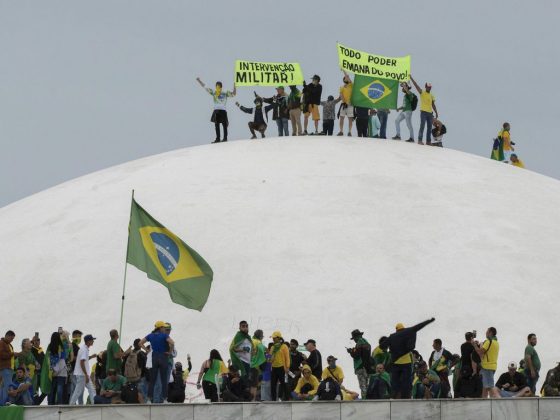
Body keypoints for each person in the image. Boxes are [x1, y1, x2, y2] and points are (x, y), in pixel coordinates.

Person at [381, 318, 435, 399]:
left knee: (395, 382)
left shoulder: (392, 336)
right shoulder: (409, 331)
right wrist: (430, 320)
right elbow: (420, 325)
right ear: (403, 328)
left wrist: (392, 347)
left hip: (396, 363)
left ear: (396, 330)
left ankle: (395, 397)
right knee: (406, 381)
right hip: (406, 362)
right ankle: (406, 397)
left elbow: (382, 346)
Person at [139, 321, 174, 403]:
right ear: (161, 327)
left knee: (152, 380)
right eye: (163, 327)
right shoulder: (164, 335)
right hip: (163, 357)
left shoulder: (150, 335)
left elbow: (140, 343)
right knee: (164, 379)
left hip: (154, 357)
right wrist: (169, 351)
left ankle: (149, 399)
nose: (164, 329)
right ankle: (165, 399)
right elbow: (172, 343)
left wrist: (147, 350)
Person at [196, 77, 236, 143]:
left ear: (221, 86)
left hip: (223, 110)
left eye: (219, 86)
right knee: (216, 125)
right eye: (217, 86)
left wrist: (235, 86)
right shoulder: (214, 92)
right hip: (216, 110)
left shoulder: (225, 92)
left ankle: (225, 138)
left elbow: (234, 94)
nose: (217, 87)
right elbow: (205, 87)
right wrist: (199, 80)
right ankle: (218, 138)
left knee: (224, 124)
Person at [410, 76, 438, 145]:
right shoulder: (422, 92)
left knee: (429, 127)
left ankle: (428, 141)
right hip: (423, 112)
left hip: (430, 113)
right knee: (422, 126)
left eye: (430, 87)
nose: (429, 88)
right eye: (428, 87)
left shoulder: (431, 95)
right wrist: (411, 78)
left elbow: (433, 104)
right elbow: (416, 85)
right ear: (426, 87)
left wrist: (436, 112)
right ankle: (420, 140)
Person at [69, 334, 96, 405]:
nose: (93, 341)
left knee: (91, 389)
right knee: (78, 391)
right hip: (82, 375)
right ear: (88, 341)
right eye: (92, 340)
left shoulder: (84, 349)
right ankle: (71, 405)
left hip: (82, 374)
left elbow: (84, 360)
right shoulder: (84, 350)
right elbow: (81, 362)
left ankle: (94, 403)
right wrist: (86, 374)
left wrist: (91, 357)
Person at [45, 331, 70, 405]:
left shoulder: (50, 347)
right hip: (61, 370)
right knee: (60, 388)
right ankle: (60, 403)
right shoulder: (61, 346)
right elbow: (64, 357)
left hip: (52, 370)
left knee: (52, 389)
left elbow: (48, 359)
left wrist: (53, 370)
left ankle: (50, 403)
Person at [474, 327, 500, 398]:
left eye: (487, 331)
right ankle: (484, 401)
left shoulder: (488, 342)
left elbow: (480, 352)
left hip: (487, 367)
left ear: (490, 332)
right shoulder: (496, 343)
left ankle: (499, 400)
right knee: (485, 387)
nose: (486, 332)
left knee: (490, 386)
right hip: (492, 366)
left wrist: (474, 345)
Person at [347, 329, 371, 398]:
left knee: (362, 385)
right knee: (367, 385)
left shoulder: (359, 343)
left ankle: (364, 399)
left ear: (356, 337)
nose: (354, 340)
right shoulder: (366, 342)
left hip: (360, 367)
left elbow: (356, 355)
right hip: (367, 367)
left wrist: (351, 352)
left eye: (354, 338)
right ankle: (368, 398)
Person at [270, 331, 290, 401]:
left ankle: (287, 399)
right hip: (274, 368)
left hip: (282, 368)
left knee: (284, 384)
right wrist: (269, 355)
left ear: (279, 338)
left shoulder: (284, 346)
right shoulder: (272, 347)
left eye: (274, 338)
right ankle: (273, 399)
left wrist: (287, 367)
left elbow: (287, 357)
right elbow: (270, 359)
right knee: (273, 385)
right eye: (273, 338)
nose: (273, 339)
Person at [249, 330, 266, 401]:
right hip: (255, 366)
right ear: (260, 336)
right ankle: (252, 400)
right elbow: (262, 352)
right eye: (262, 336)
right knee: (254, 385)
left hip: (248, 365)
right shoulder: (258, 342)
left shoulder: (250, 340)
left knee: (250, 384)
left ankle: (248, 399)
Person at [0, 330, 17, 406]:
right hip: (5, 369)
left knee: (4, 387)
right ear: (7, 336)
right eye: (11, 338)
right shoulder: (1, 343)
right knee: (6, 387)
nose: (12, 340)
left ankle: (2, 404)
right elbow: (2, 355)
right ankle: (3, 405)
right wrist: (13, 354)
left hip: (9, 369)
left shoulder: (8, 345)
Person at [337, 72, 354, 136]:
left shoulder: (351, 85)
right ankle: (341, 131)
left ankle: (349, 132)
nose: (346, 79)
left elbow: (347, 75)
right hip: (343, 105)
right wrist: (344, 102)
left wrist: (343, 70)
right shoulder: (341, 87)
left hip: (350, 105)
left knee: (350, 119)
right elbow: (341, 95)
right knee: (341, 118)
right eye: (345, 78)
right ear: (344, 80)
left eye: (347, 78)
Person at [69, 330, 82, 404]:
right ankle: (74, 404)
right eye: (79, 336)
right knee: (77, 389)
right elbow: (72, 358)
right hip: (74, 370)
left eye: (80, 336)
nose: (80, 338)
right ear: (74, 336)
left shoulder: (76, 346)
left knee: (73, 389)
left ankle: (72, 403)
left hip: (75, 370)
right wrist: (80, 357)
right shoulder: (73, 345)